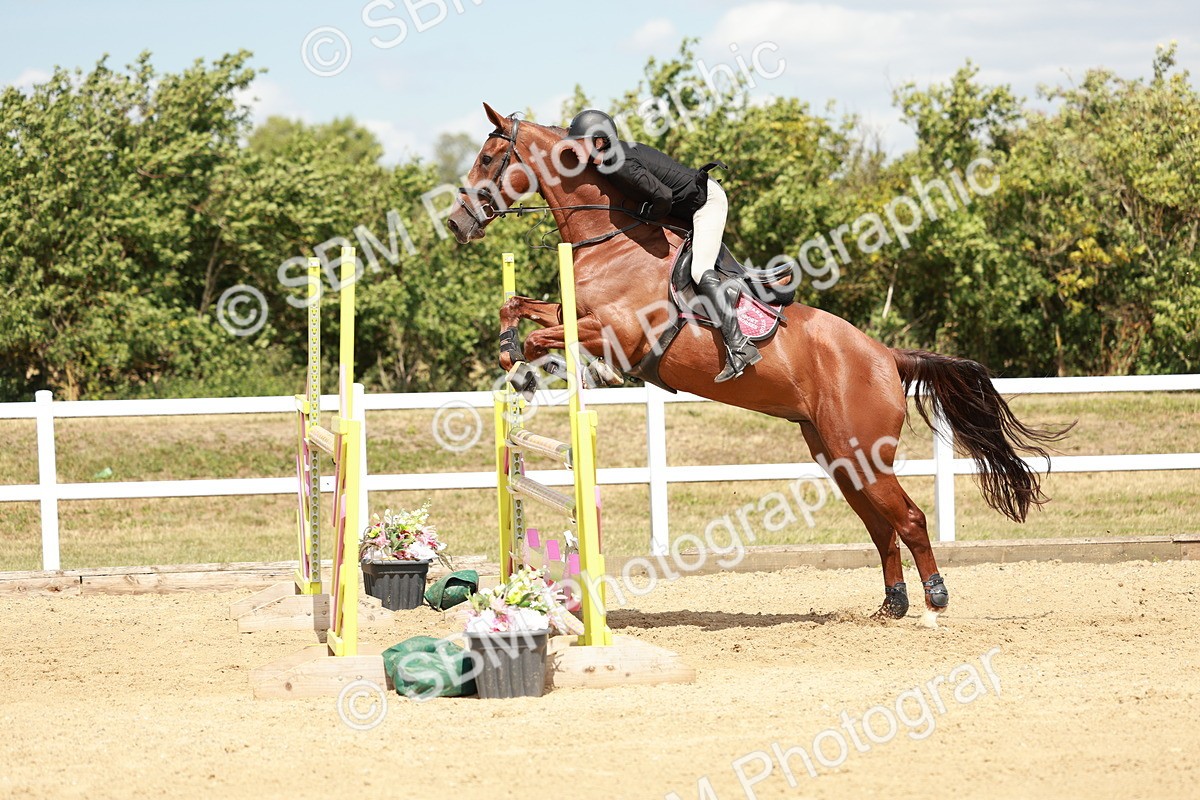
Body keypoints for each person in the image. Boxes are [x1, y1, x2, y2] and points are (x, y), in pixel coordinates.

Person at [565, 109, 761, 383]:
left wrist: (646, 217)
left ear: (598, 142)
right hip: (682, 208)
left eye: (578, 142)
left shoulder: (619, 165)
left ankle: (740, 347)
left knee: (699, 270)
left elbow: (663, 197)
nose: (573, 148)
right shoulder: (606, 161)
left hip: (706, 203)